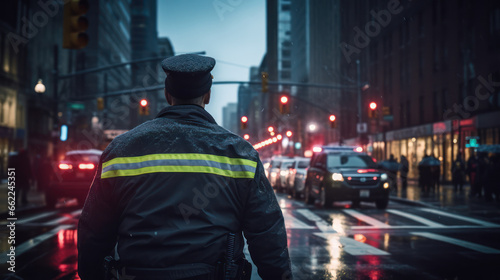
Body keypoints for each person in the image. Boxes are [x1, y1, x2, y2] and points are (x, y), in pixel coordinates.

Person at [78, 54, 292, 280]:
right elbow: (268, 236)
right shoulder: (240, 154)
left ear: (167, 94)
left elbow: (93, 233)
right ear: (208, 95)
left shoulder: (119, 151)